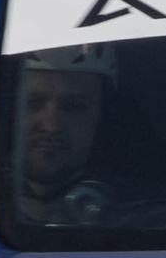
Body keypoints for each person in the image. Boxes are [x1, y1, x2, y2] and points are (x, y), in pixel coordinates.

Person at [16, 43, 119, 224]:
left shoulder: (153, 210)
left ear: (103, 115)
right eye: (32, 103)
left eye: (73, 107)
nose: (51, 126)